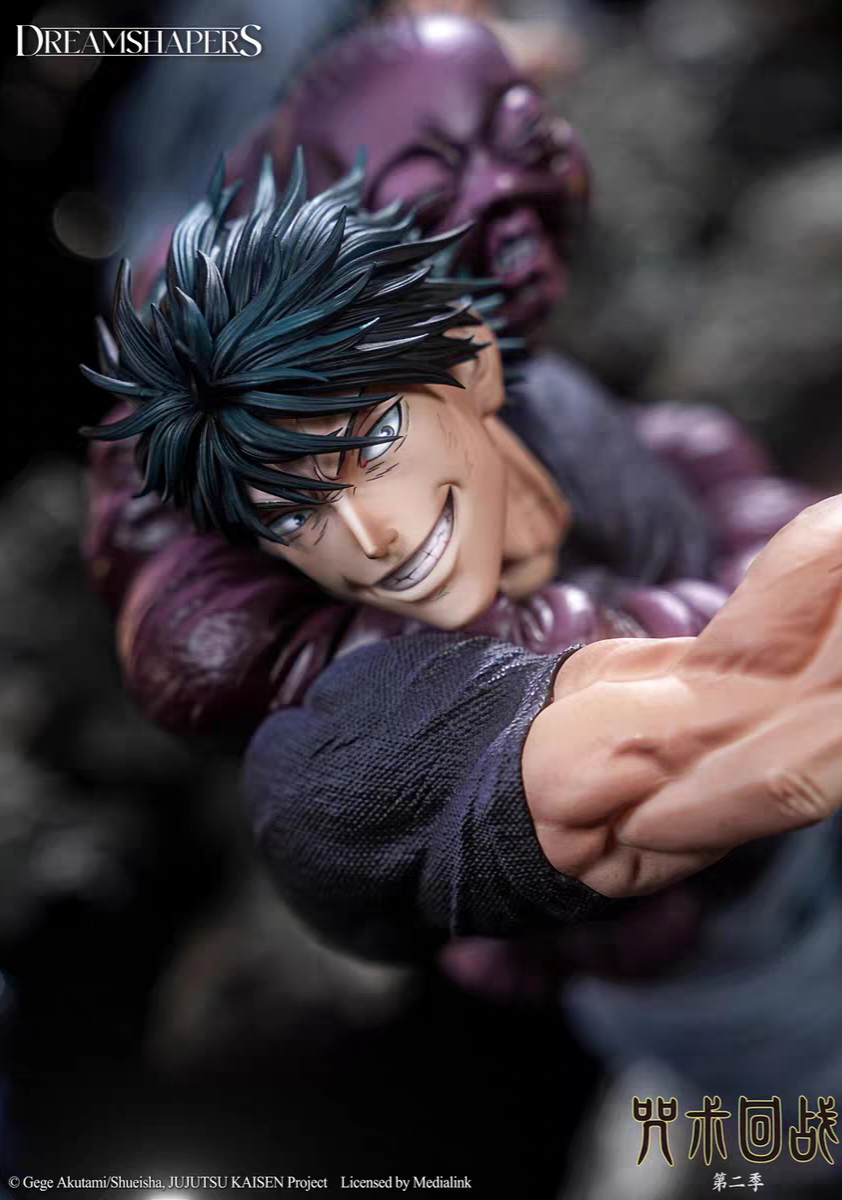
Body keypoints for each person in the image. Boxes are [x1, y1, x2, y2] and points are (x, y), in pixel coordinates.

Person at [81, 153, 842, 961]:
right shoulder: (382, 678)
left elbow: (691, 464)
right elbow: (324, 817)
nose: (370, 536)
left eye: (376, 441)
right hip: (732, 950)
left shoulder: (548, 407)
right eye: (295, 512)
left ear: (472, 363)